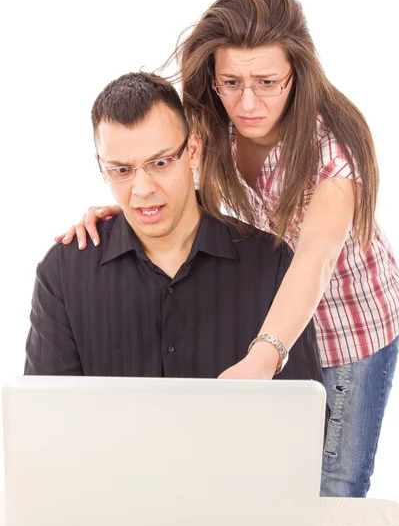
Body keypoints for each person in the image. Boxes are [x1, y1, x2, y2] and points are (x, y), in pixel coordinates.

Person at [60, 0, 399, 498]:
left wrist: (263, 358)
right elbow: (163, 160)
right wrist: (136, 200)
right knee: (267, 487)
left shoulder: (333, 154)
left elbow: (315, 259)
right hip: (266, 315)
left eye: (267, 82)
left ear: (297, 73)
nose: (247, 102)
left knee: (334, 486)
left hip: (348, 327)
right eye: (231, 82)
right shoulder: (211, 118)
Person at [25, 71, 323, 388]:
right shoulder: (63, 272)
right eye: (121, 170)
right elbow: (46, 419)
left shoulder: (270, 263)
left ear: (193, 151)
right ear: (102, 167)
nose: (142, 189)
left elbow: (306, 420)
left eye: (161, 163)